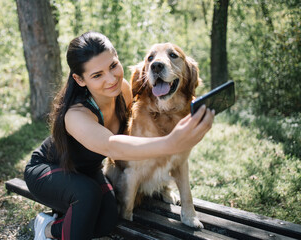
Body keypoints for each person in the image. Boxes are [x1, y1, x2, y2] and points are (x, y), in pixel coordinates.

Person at [24, 31, 214, 240]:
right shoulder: (76, 114)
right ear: (79, 79)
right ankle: (46, 228)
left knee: (108, 220)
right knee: (88, 196)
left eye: (113, 66)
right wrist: (171, 143)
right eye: (97, 75)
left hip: (88, 171)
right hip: (49, 169)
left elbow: (144, 115)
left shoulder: (123, 90)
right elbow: (111, 146)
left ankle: (64, 216)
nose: (111, 79)